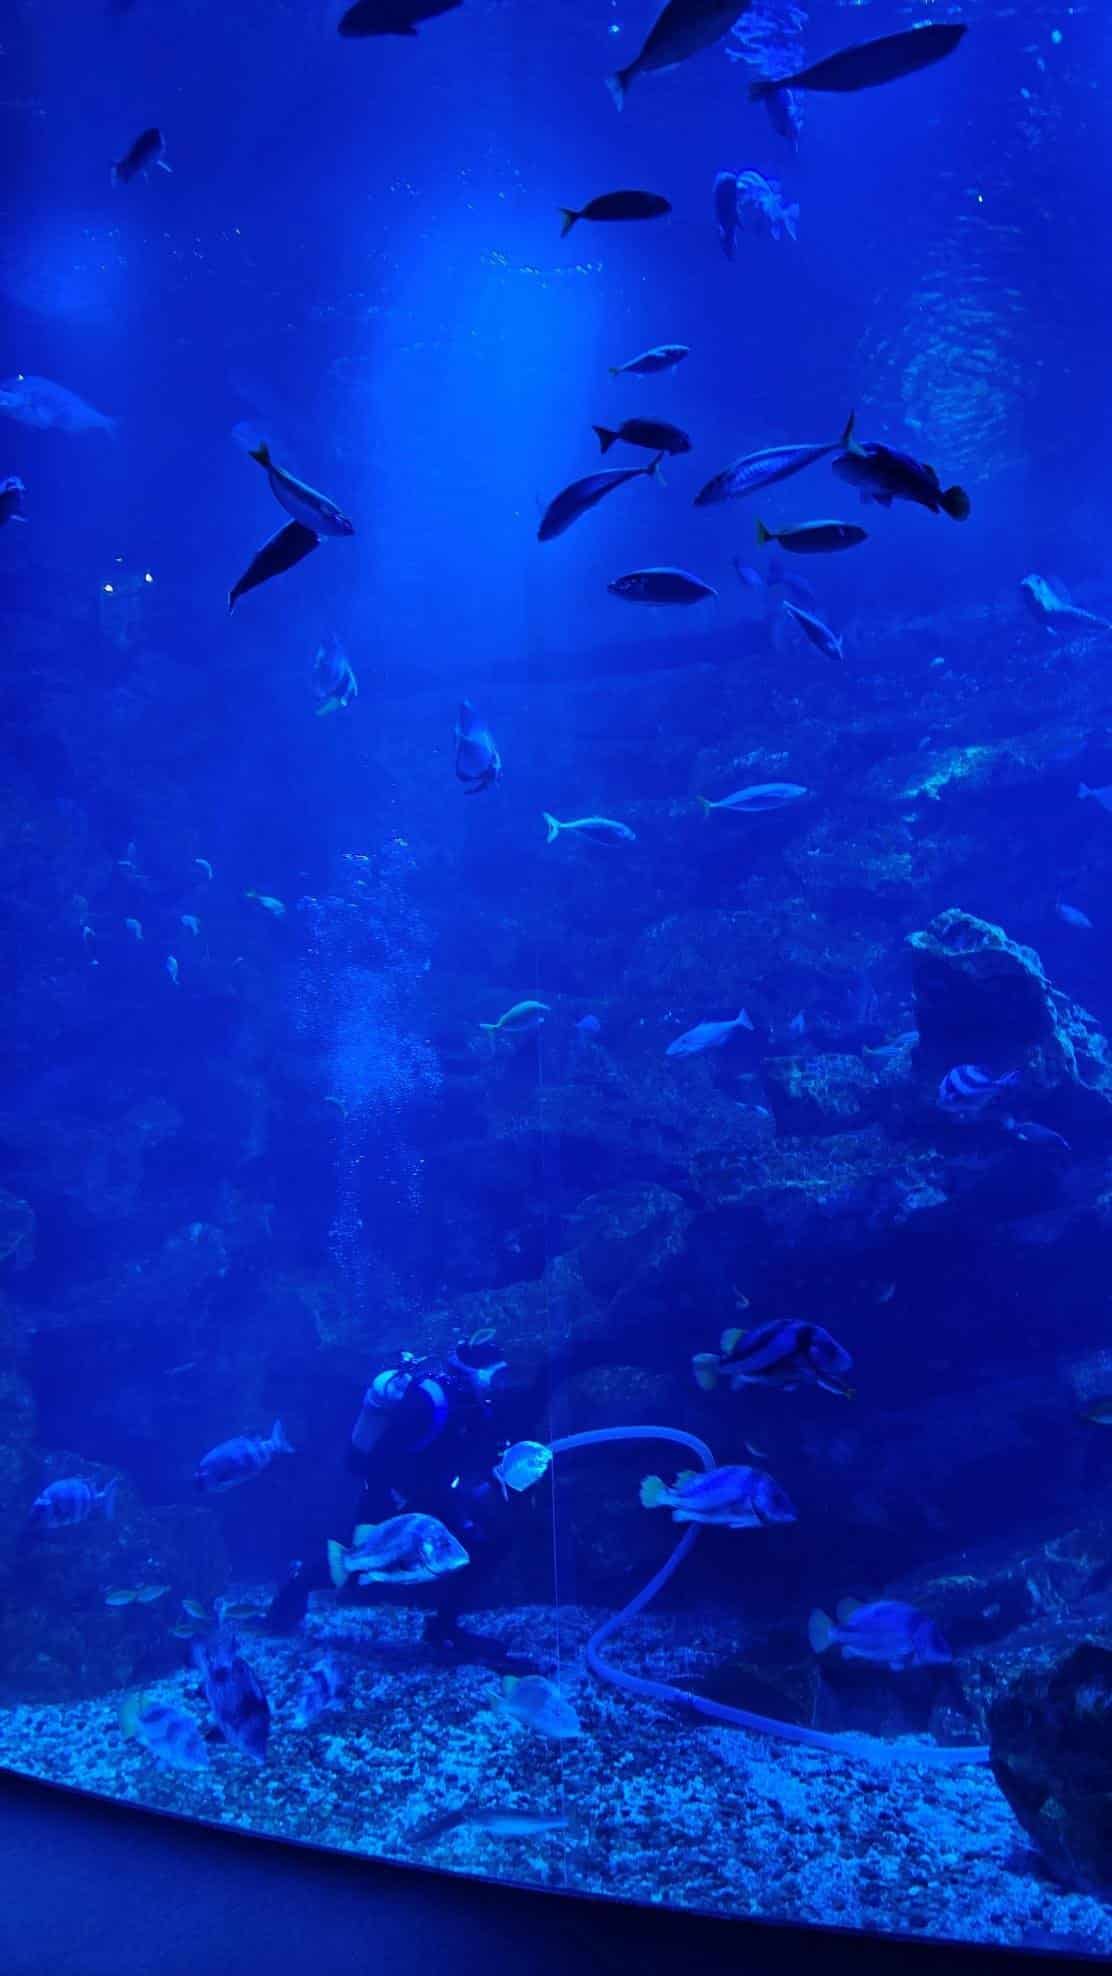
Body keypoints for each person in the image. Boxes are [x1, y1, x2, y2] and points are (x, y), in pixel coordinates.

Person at [267, 1331, 530, 1666]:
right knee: (358, 1562)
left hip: (432, 1494)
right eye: (497, 1377)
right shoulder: (429, 1402)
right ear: (473, 1373)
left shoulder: (478, 1407)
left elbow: (469, 1456)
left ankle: (443, 1628)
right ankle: (297, 1586)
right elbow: (378, 1461)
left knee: (484, 1541)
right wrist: (378, 1513)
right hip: (393, 1493)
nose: (502, 1387)